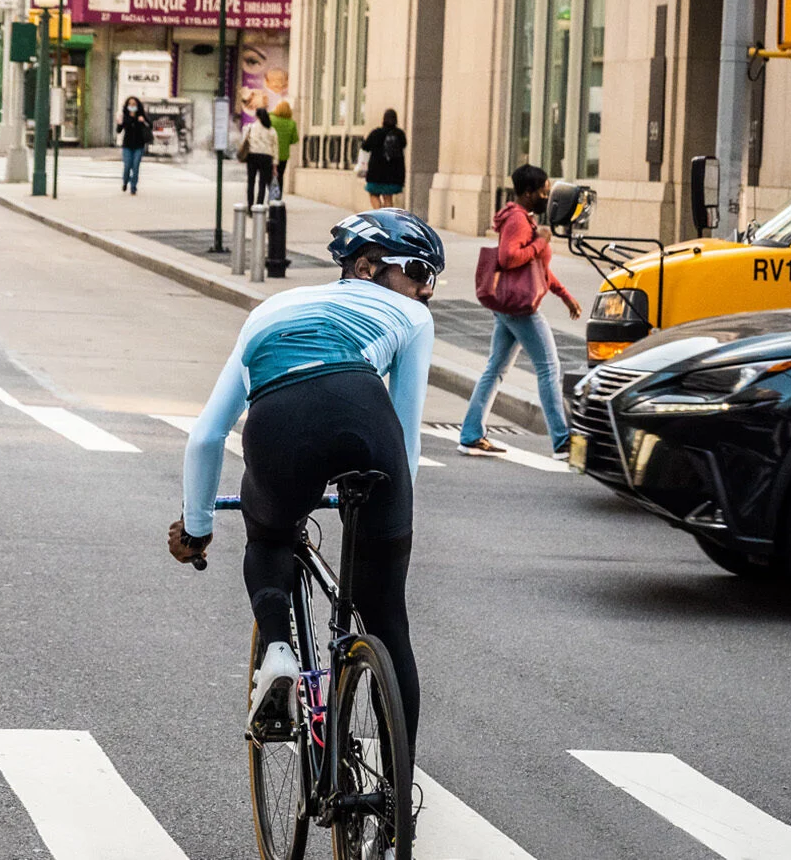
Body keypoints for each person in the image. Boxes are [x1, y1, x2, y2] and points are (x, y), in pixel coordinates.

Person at [167, 208, 442, 774]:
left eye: (433, 277)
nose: (426, 289)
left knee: (267, 534)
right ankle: (397, 800)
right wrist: (385, 517)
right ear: (365, 267)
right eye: (418, 270)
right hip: (366, 418)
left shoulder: (270, 310)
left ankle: (276, 652)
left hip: (279, 426)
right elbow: (407, 441)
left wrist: (197, 528)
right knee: (387, 619)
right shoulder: (409, 316)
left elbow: (206, 436)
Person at [459, 164, 582, 460]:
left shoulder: (522, 218)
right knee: (549, 368)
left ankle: (471, 435)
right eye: (543, 191)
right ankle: (562, 441)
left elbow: (538, 271)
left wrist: (566, 297)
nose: (547, 195)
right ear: (528, 193)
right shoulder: (516, 219)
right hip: (520, 309)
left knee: (496, 368)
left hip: (509, 307)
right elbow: (508, 258)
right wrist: (540, 242)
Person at [361, 109, 407, 210]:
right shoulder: (400, 134)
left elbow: (365, 147)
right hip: (394, 173)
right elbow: (404, 145)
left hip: (376, 173)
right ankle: (387, 216)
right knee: (388, 197)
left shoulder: (376, 133)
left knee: (373, 194)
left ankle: (378, 212)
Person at [241, 107, 278, 205]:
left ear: (256, 116)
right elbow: (275, 148)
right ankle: (259, 205)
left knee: (251, 182)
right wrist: (275, 165)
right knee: (262, 183)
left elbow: (244, 140)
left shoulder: (250, 127)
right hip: (266, 157)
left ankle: (250, 206)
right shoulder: (271, 130)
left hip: (253, 156)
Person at [116, 97, 152, 195]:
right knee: (127, 165)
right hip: (127, 146)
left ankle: (133, 187)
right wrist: (119, 123)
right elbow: (119, 130)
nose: (132, 106)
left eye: (134, 104)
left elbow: (150, 126)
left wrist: (143, 121)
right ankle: (125, 181)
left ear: (137, 105)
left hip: (139, 145)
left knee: (136, 166)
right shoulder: (125, 116)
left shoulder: (141, 116)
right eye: (130, 104)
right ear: (127, 106)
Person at [269, 101, 299, 191]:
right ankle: (278, 198)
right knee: (280, 176)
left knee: (270, 175)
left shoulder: (271, 119)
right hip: (283, 155)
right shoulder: (291, 123)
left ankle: (271, 195)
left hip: (271, 153)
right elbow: (294, 140)